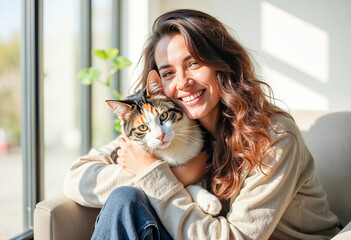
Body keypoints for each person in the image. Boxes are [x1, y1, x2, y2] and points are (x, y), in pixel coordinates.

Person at [64, 9, 341, 240]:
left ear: (221, 63)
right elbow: (76, 177)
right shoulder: (173, 124)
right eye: (169, 72)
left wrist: (153, 174)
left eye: (193, 63)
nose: (182, 82)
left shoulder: (274, 136)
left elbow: (237, 237)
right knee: (125, 199)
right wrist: (177, 174)